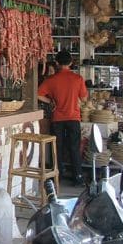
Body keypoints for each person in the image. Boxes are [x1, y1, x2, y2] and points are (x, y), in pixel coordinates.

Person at [37, 50, 88, 186]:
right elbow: (83, 98)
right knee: (74, 147)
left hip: (57, 118)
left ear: (57, 63)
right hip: (74, 118)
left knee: (56, 148)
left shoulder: (51, 80)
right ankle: (77, 176)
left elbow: (39, 94)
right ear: (71, 63)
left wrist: (51, 102)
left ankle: (56, 176)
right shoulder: (78, 79)